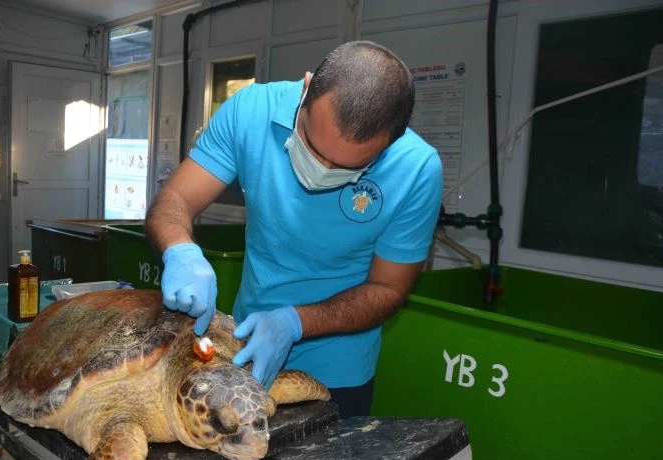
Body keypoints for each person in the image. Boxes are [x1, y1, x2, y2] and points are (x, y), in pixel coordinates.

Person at [146, 40, 442, 418]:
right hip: (243, 344)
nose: (321, 169)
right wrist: (180, 251)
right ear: (305, 90)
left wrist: (294, 322)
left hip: (339, 365)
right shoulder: (250, 110)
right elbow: (175, 201)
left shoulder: (417, 169)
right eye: (311, 144)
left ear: (392, 142)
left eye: (345, 168)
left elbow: (388, 289)